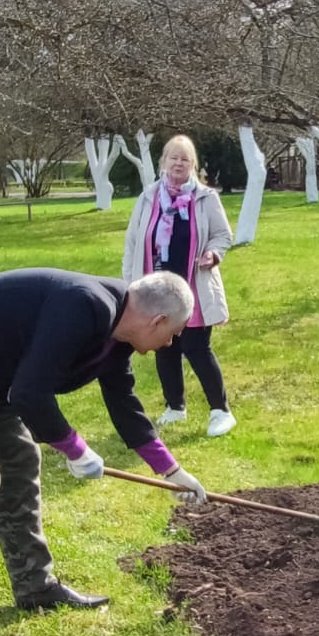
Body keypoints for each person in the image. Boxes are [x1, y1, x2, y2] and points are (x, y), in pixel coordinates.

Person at [0, 268, 210, 636]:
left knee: (21, 462)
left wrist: (172, 472)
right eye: (174, 332)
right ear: (157, 320)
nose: (171, 342)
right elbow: (30, 394)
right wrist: (75, 449)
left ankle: (35, 587)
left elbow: (123, 402)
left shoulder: (119, 331)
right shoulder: (83, 306)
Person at [121, 134, 238, 437]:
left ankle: (221, 411)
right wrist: (129, 284)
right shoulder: (149, 197)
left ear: (192, 165)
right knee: (164, 347)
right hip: (156, 289)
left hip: (194, 287)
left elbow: (223, 235)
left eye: (185, 159)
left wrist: (213, 254)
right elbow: (133, 242)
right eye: (173, 157)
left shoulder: (206, 198)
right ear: (164, 162)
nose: (178, 163)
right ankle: (175, 407)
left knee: (197, 347)